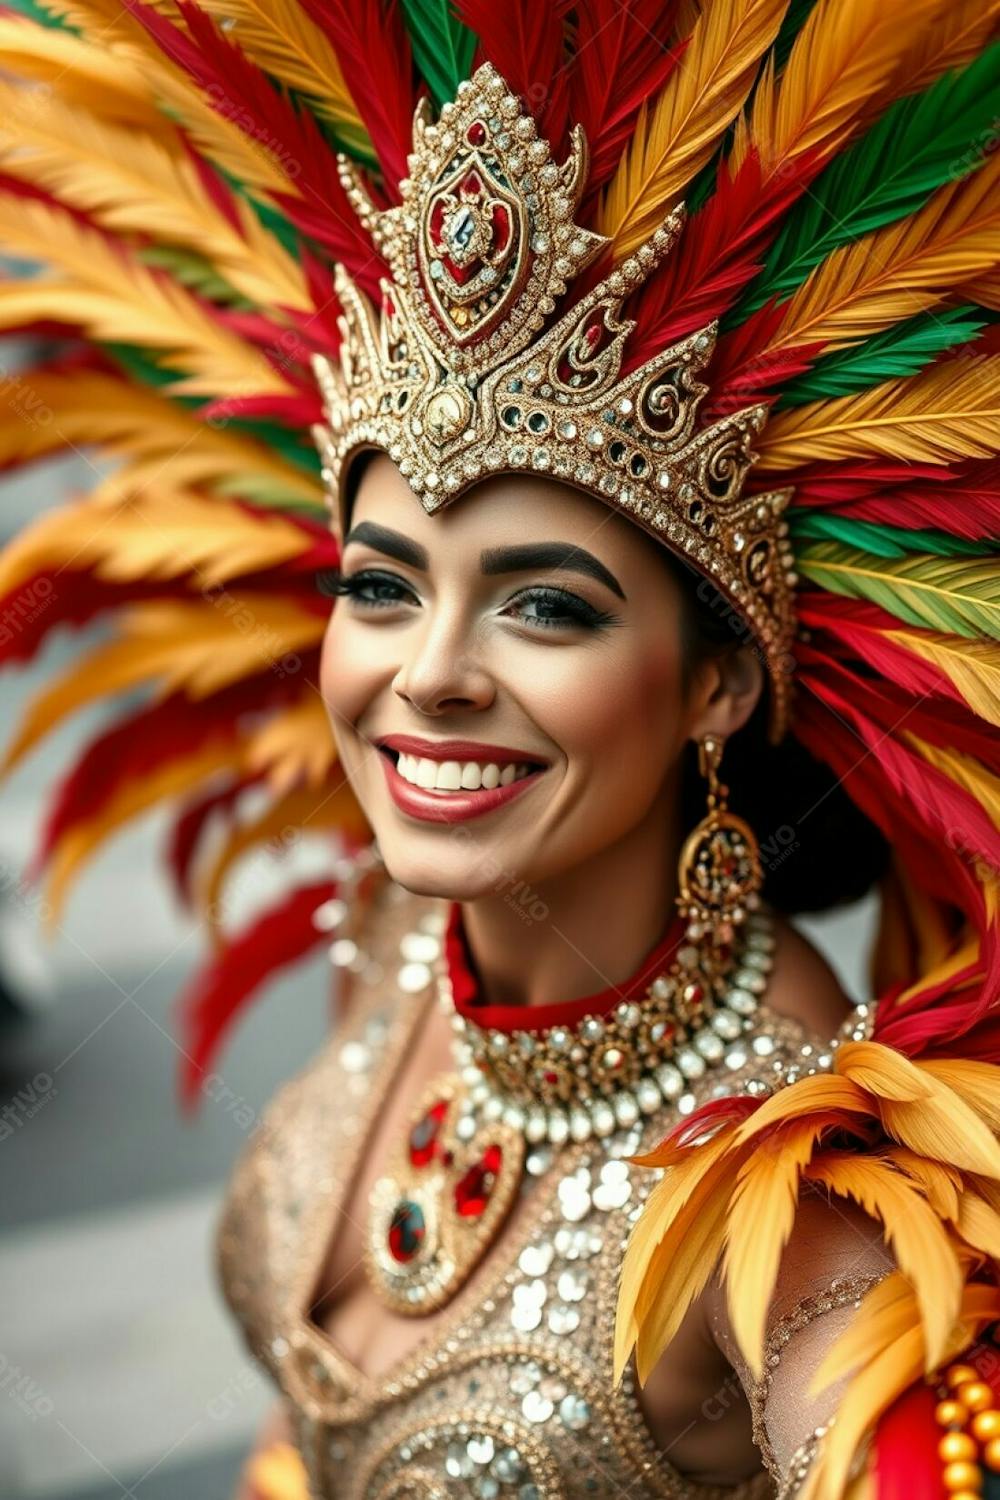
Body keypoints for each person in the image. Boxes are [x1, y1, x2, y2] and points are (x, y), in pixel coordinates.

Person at [0, 5, 998, 1498]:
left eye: (545, 604)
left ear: (722, 684)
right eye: (381, 585)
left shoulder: (794, 1201)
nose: (430, 677)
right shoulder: (407, 925)